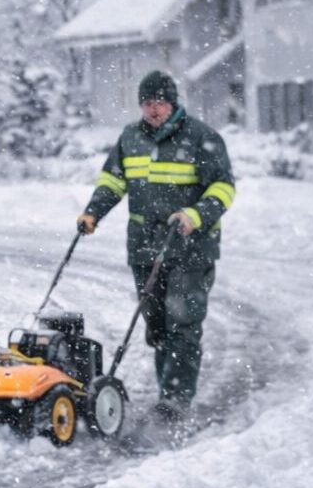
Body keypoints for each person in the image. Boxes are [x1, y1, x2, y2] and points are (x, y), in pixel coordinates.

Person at [77, 70, 235, 421]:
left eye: (160, 103)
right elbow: (113, 181)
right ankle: (169, 387)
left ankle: (175, 399)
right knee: (158, 325)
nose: (153, 110)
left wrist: (195, 214)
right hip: (145, 249)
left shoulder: (201, 138)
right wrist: (93, 213)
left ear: (172, 103)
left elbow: (224, 188)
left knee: (183, 322)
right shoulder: (131, 138)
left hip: (191, 249)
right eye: (147, 103)